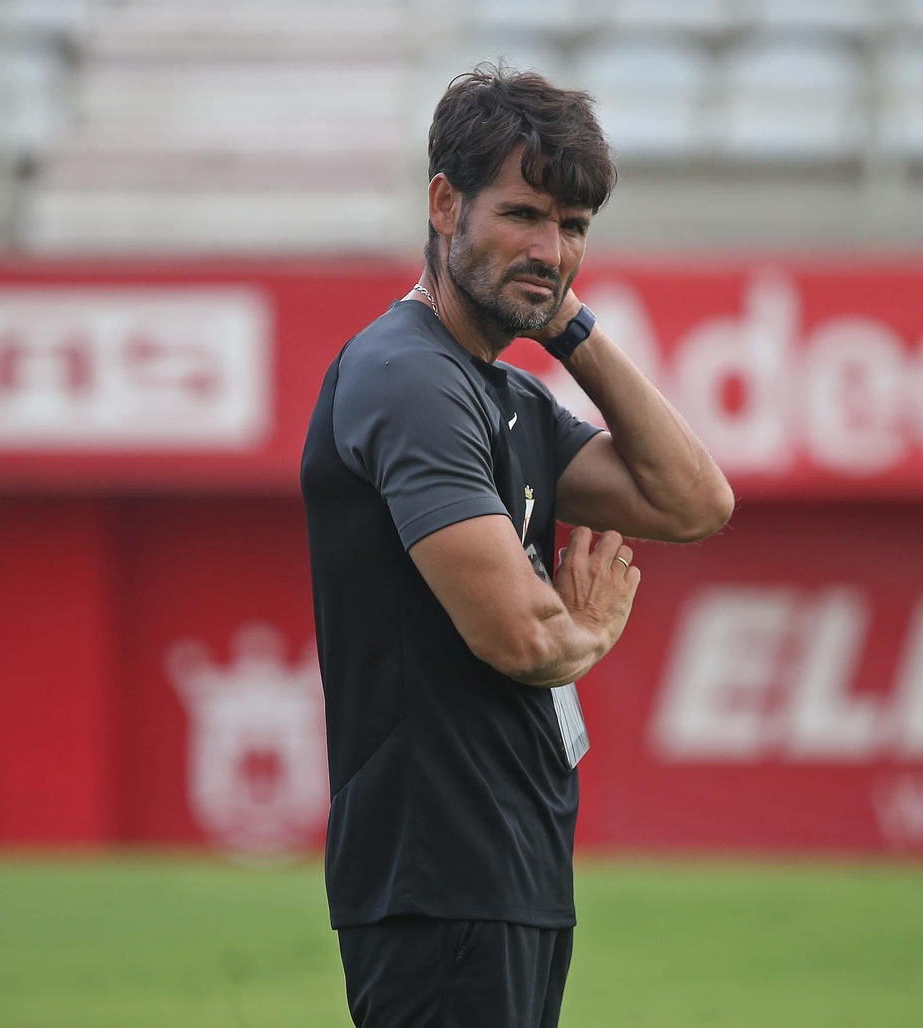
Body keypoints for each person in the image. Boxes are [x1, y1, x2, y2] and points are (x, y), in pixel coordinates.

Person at [300, 64, 734, 1028]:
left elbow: (695, 500)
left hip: (506, 874)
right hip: (438, 877)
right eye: (524, 217)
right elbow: (523, 638)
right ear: (444, 204)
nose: (550, 248)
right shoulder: (407, 377)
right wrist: (587, 635)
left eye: (573, 229)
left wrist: (563, 319)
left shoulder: (504, 393)